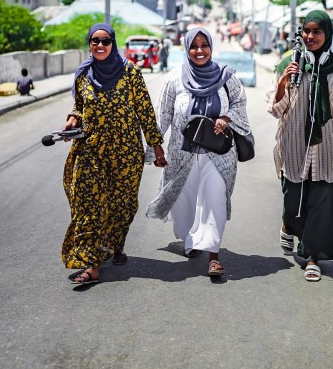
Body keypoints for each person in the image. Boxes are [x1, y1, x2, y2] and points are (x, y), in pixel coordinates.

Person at [61, 23, 167, 285]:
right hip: (91, 149)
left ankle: (113, 246)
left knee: (122, 204)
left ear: (113, 43)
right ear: (89, 43)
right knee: (88, 204)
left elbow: (144, 110)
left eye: (105, 41)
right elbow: (79, 106)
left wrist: (156, 145)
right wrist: (73, 120)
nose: (100, 45)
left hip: (125, 151)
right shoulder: (83, 74)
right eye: (95, 41)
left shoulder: (130, 71)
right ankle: (91, 263)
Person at [146, 27, 250, 277]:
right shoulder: (174, 78)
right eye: (194, 46)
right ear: (187, 48)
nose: (199, 50)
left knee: (214, 200)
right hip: (182, 153)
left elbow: (240, 103)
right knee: (185, 203)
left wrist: (226, 117)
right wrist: (155, 149)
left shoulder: (226, 77)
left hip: (220, 154)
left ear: (211, 47)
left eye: (204, 45)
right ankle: (191, 239)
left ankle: (213, 255)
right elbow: (162, 115)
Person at [268, 10, 333, 283]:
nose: (310, 36)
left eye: (316, 31)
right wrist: (283, 83)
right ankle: (288, 225)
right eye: (306, 31)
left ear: (326, 34)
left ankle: (312, 257)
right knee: (293, 199)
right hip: (294, 143)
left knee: (323, 202)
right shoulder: (288, 62)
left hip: (328, 145)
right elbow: (276, 109)